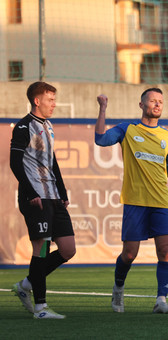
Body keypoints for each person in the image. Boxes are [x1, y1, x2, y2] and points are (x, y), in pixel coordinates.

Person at [95, 88, 168, 313]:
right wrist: (103, 110)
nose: (157, 104)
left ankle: (161, 300)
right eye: (152, 101)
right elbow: (101, 139)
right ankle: (118, 289)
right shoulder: (128, 129)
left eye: (160, 101)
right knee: (129, 254)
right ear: (141, 105)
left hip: (161, 202)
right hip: (135, 202)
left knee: (165, 250)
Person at [10, 81, 76, 319]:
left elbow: (52, 162)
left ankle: (26, 285)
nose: (54, 104)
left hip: (53, 196)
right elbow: (15, 163)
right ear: (37, 101)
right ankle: (41, 308)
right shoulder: (23, 127)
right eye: (50, 100)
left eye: (54, 99)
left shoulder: (48, 126)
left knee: (68, 249)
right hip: (35, 196)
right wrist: (31, 193)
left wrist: (63, 192)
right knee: (42, 248)